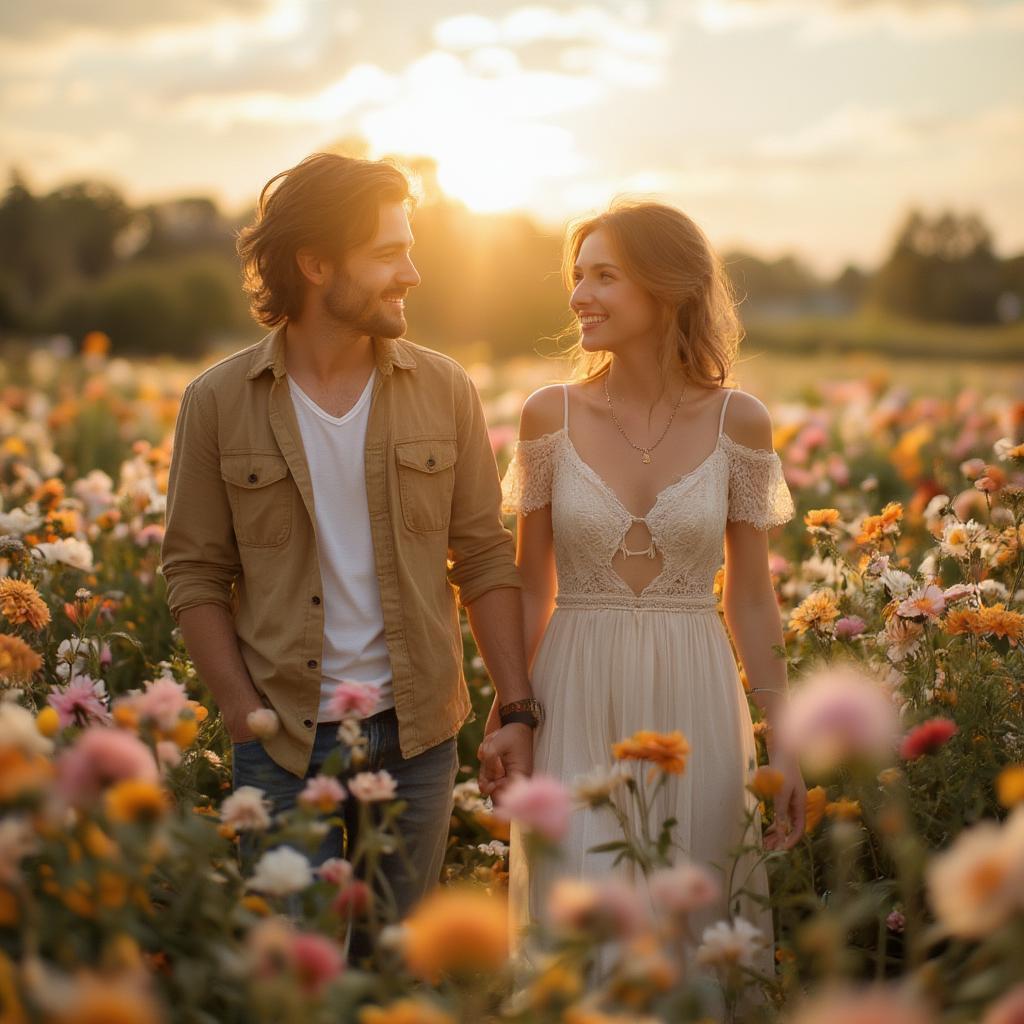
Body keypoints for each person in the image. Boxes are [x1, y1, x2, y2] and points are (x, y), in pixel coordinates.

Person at [161, 152, 537, 937]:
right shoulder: (217, 401)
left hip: (419, 735)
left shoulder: (445, 389)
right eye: (389, 252)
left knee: (398, 963)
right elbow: (194, 571)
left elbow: (483, 556)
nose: (413, 273)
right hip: (282, 739)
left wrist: (516, 708)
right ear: (316, 263)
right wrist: (240, 712)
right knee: (288, 972)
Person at [488, 199, 806, 980]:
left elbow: (753, 598)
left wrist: (784, 745)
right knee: (580, 922)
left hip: (695, 694)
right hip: (575, 687)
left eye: (604, 276)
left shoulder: (741, 422)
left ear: (667, 288)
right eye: (577, 275)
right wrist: (511, 713)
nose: (578, 297)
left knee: (691, 920)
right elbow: (532, 585)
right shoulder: (547, 417)